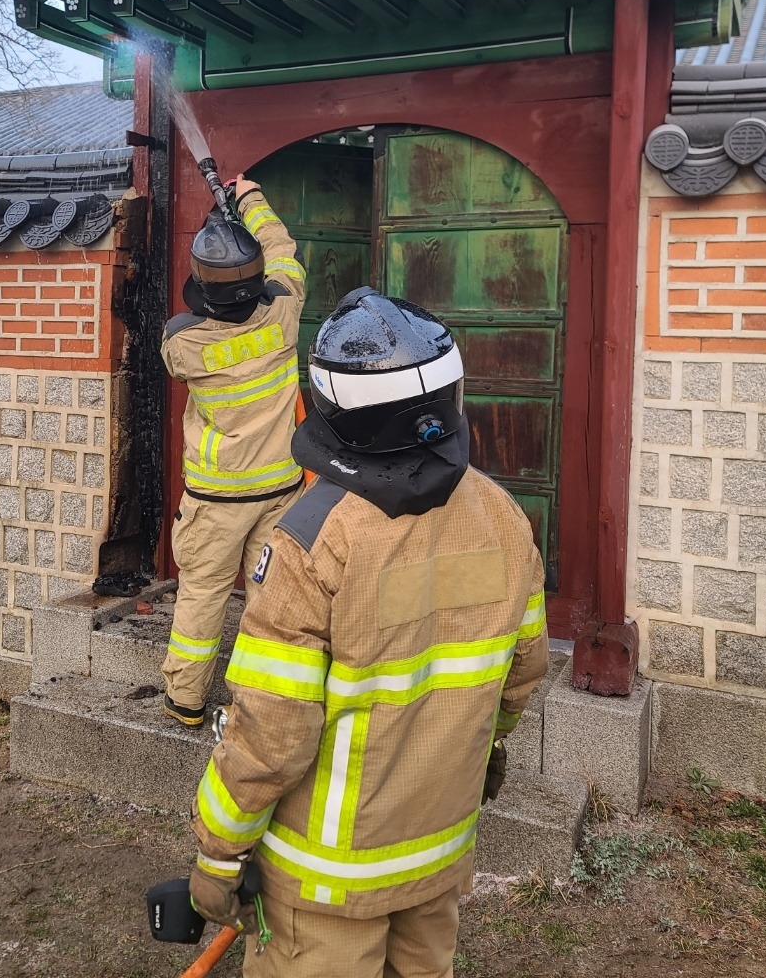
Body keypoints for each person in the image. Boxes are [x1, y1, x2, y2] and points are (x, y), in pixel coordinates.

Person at [186, 287, 548, 976]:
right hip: (436, 858)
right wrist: (490, 743)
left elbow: (270, 731)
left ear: (330, 409)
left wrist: (217, 852)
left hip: (325, 887)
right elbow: (521, 671)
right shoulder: (503, 519)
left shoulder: (312, 540)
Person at [159, 174, 307, 728]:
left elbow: (192, 323)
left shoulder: (183, 343)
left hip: (215, 500)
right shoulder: (286, 311)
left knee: (202, 596)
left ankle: (185, 701)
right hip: (281, 491)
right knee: (269, 603)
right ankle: (255, 703)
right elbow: (283, 254)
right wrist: (247, 197)